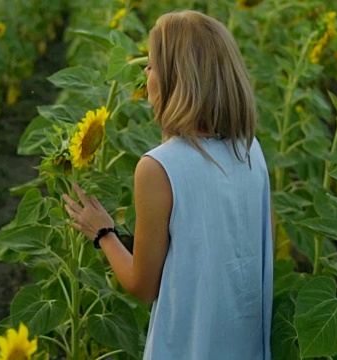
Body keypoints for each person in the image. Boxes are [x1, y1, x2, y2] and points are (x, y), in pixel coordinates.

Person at [62, 10, 273, 359]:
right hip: (243, 345)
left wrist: (103, 233)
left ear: (178, 79)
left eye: (153, 65)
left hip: (189, 346)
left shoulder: (159, 168)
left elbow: (142, 286)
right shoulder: (250, 151)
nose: (146, 73)